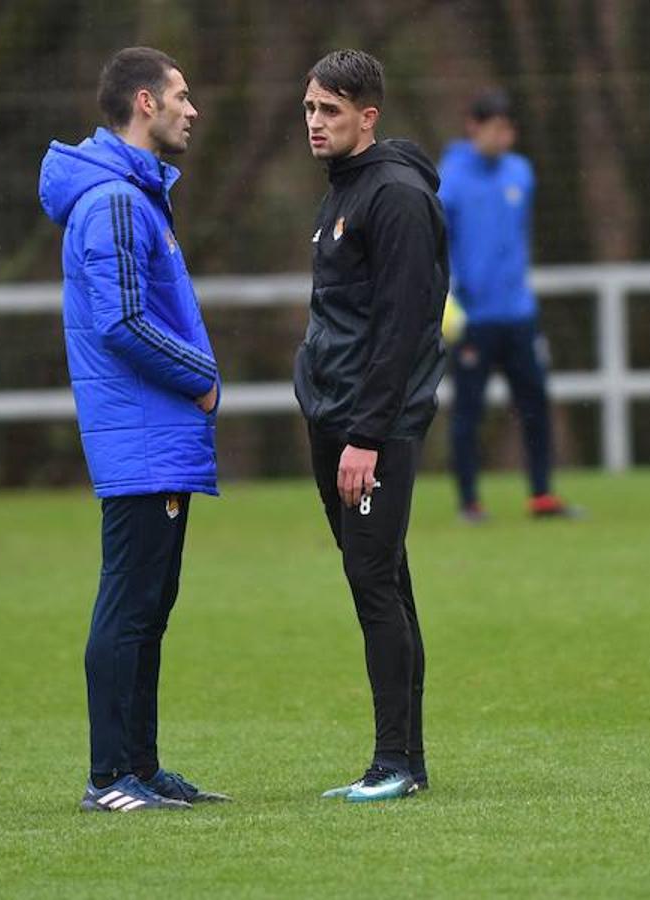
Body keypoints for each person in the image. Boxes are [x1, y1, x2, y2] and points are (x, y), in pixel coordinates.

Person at [39, 47, 229, 812]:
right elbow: (121, 321)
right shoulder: (115, 201)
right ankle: (108, 776)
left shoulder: (134, 194)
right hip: (143, 434)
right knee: (128, 602)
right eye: (182, 95)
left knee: (151, 603)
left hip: (157, 436)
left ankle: (142, 768)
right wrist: (203, 378)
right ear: (144, 103)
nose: (192, 109)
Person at [295, 49, 447, 802]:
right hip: (336, 418)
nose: (316, 124)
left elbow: (399, 330)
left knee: (374, 584)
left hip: (371, 427)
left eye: (330, 110)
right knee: (381, 580)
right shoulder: (344, 189)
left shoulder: (395, 196)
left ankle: (394, 763)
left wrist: (366, 434)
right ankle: (405, 763)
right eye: (311, 109)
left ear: (368, 115)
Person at [437, 90, 579, 522]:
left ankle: (542, 495)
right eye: (496, 128)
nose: (504, 137)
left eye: (509, 128)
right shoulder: (450, 180)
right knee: (469, 413)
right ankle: (469, 502)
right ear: (473, 127)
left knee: (535, 404)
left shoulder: (521, 173)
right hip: (472, 320)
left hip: (519, 314)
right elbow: (438, 247)